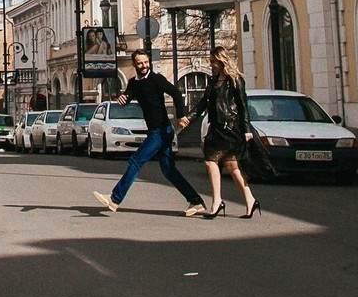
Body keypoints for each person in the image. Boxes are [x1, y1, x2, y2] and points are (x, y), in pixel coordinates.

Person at [94, 49, 208, 217]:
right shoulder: (134, 82)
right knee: (168, 170)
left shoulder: (156, 79)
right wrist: (123, 100)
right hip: (157, 130)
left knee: (135, 161)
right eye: (140, 63)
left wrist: (181, 115)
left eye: (146, 62)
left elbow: (176, 92)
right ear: (134, 64)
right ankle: (196, 201)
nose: (144, 66)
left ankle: (114, 199)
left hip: (161, 131)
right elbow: (129, 95)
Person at [178, 47, 259, 218]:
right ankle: (217, 202)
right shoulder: (213, 80)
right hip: (215, 128)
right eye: (210, 61)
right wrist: (189, 118)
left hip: (230, 128)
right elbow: (202, 104)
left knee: (232, 166)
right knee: (210, 162)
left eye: (213, 61)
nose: (211, 64)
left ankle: (248, 200)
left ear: (222, 61)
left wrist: (246, 130)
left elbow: (243, 106)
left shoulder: (235, 80)